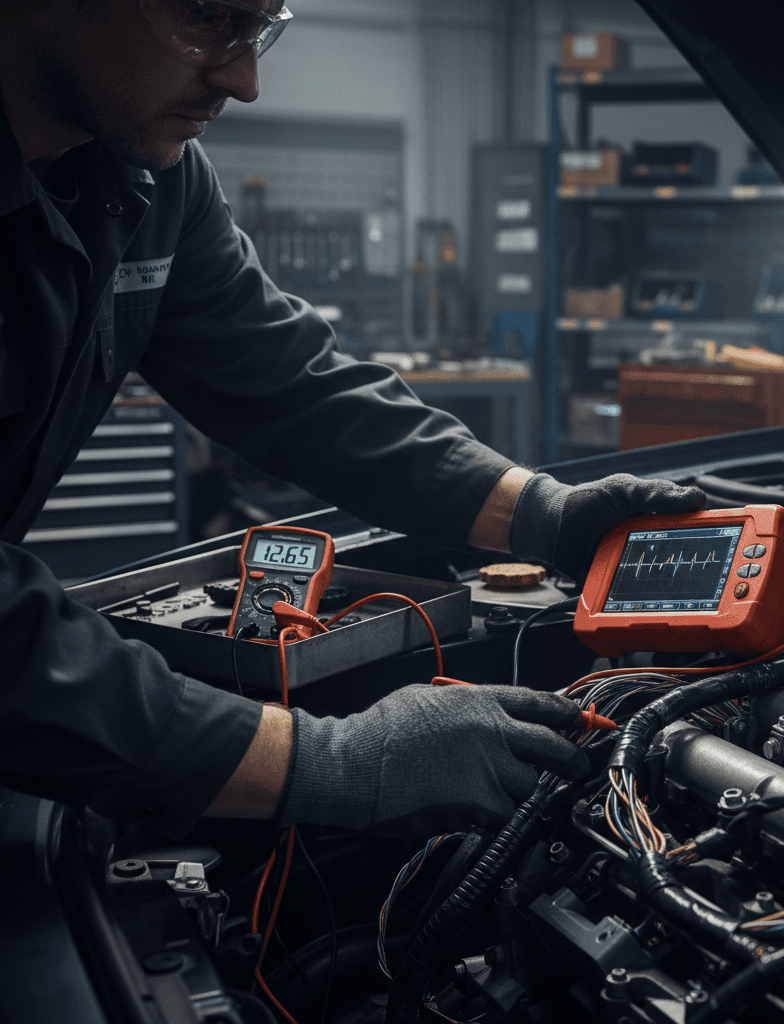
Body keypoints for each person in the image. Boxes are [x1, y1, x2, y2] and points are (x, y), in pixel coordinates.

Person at [0, 0, 705, 839]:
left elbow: (292, 384)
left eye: (260, 28)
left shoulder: (151, 178)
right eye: (210, 18)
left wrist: (541, 514)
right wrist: (330, 761)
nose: (245, 80)